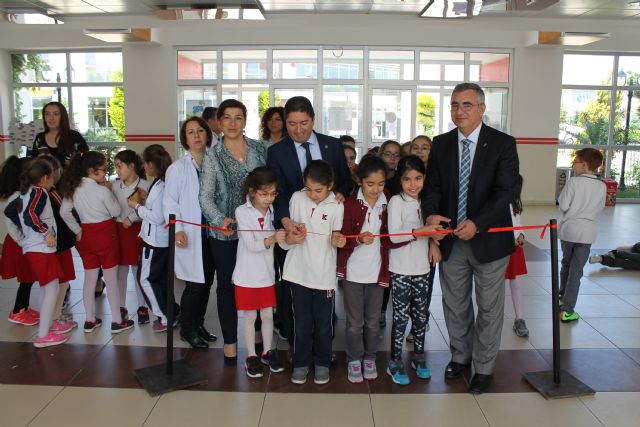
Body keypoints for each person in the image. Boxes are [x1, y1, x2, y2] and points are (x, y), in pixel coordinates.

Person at [422, 82, 519, 394]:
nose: (459, 111)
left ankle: (484, 367)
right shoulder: (441, 143)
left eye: (466, 105)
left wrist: (477, 223)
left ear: (481, 109)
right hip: (452, 241)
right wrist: (430, 215)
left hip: (489, 241)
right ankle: (461, 357)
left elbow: (506, 191)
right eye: (454, 104)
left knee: (489, 308)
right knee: (455, 304)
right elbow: (433, 187)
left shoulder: (503, 143)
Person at [266, 96, 352, 347]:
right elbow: (277, 191)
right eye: (292, 124)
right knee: (291, 284)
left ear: (313, 119)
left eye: (303, 123)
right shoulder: (276, 151)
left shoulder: (332, 145)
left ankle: (325, 340)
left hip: (324, 231)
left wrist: (340, 192)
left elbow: (345, 180)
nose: (298, 130)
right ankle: (294, 339)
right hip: (294, 230)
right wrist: (285, 221)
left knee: (324, 285)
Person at [199, 99, 267, 365]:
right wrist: (219, 219)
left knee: (259, 282)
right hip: (225, 234)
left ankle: (259, 338)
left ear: (245, 121)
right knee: (227, 287)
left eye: (238, 117)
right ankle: (230, 342)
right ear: (219, 122)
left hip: (258, 230)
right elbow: (204, 197)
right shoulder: (212, 156)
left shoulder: (259, 149)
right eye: (227, 117)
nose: (232, 123)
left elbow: (270, 185)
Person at [337, 155, 401, 384]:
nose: (376, 189)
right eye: (370, 184)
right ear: (359, 181)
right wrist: (357, 239)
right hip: (353, 273)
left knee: (373, 321)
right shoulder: (349, 205)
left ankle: (370, 358)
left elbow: (393, 236)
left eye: (381, 184)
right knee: (355, 322)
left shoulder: (390, 202)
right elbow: (341, 238)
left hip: (378, 273)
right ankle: (354, 358)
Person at [281, 160, 346, 385]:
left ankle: (322, 362)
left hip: (323, 275)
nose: (312, 195)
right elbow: (288, 234)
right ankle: (300, 362)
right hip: (298, 272)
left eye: (318, 190)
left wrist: (338, 240)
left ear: (330, 186)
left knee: (324, 323)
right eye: (308, 189)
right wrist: (292, 234)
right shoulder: (297, 198)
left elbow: (336, 236)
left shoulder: (337, 205)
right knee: (301, 322)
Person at [59, 151, 134, 334]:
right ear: (91, 171)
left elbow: (64, 212)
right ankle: (117, 321)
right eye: (103, 170)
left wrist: (77, 230)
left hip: (85, 236)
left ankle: (90, 319)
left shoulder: (73, 189)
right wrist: (110, 193)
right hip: (106, 236)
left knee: (89, 279)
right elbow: (116, 212)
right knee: (111, 280)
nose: (105, 173)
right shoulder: (102, 191)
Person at [387, 155, 442, 385]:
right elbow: (393, 236)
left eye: (418, 178)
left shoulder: (427, 202)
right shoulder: (395, 202)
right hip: (400, 269)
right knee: (400, 318)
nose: (412, 184)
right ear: (399, 180)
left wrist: (434, 242)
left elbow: (434, 231)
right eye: (407, 179)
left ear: (425, 178)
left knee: (420, 316)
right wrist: (420, 233)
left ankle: (418, 357)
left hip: (422, 269)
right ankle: (394, 361)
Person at [164, 117, 217, 348]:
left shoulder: (214, 163)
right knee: (194, 285)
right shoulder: (178, 168)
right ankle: (187, 329)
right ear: (185, 139)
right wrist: (178, 230)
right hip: (191, 234)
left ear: (207, 135)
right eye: (190, 132)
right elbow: (170, 202)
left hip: (212, 234)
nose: (196, 135)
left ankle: (199, 324)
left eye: (200, 131)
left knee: (207, 283)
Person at [233, 167, 286, 378]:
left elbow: (280, 242)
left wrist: (287, 236)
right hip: (246, 275)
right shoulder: (242, 212)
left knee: (267, 314)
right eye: (264, 194)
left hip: (266, 273)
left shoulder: (273, 210)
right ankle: (251, 355)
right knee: (250, 316)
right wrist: (273, 238)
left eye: (273, 194)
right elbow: (251, 244)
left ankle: (267, 351)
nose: (269, 198)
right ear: (252, 191)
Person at [15, 159, 69, 347]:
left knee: (47, 289)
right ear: (45, 178)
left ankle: (47, 327)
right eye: (52, 176)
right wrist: (46, 232)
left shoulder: (27, 192)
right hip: (40, 248)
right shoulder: (39, 192)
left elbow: (20, 213)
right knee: (52, 289)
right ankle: (43, 335)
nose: (54, 179)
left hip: (36, 248)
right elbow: (30, 216)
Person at [129, 144, 177, 332]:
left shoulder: (162, 185)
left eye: (144, 163)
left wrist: (136, 206)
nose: (144, 167)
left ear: (150, 164)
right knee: (161, 279)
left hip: (155, 241)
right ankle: (172, 311)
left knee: (146, 279)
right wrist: (147, 197)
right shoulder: (162, 182)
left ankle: (165, 316)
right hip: (160, 240)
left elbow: (157, 217)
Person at [558, 148, 605, 323]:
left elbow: (563, 205)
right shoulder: (601, 186)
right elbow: (600, 209)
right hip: (587, 233)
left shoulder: (573, 183)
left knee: (566, 264)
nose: (573, 165)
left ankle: (561, 297)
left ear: (584, 165)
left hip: (569, 231)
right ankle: (568, 309)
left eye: (575, 162)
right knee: (576, 271)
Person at [111, 150, 151, 325]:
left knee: (138, 271)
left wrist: (133, 217)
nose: (117, 170)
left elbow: (150, 209)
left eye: (120, 166)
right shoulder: (114, 186)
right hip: (119, 230)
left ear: (132, 166)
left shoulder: (145, 185)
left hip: (137, 231)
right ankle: (121, 306)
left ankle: (142, 307)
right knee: (121, 271)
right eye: (116, 166)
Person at [39, 155, 77, 333]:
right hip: (57, 243)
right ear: (52, 173)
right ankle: (54, 318)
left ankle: (53, 316)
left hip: (54, 243)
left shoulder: (43, 192)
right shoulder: (47, 193)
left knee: (57, 282)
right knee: (60, 282)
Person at [1, 156, 38, 326]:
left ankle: (24, 308)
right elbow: (11, 224)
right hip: (20, 244)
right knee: (27, 278)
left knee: (29, 277)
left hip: (23, 242)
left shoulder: (23, 194)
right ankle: (17, 311)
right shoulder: (17, 197)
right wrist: (23, 242)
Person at [30, 102, 89, 166]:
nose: (51, 118)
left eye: (56, 114)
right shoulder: (40, 138)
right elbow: (32, 162)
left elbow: (87, 161)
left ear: (63, 117)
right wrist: (39, 161)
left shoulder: (75, 136)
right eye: (47, 114)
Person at [506, 175, 529, 337]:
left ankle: (519, 318)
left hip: (514, 248)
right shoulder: (497, 203)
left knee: (516, 284)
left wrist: (521, 235)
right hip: (498, 248)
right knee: (493, 287)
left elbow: (518, 224)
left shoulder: (514, 204)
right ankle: (490, 319)